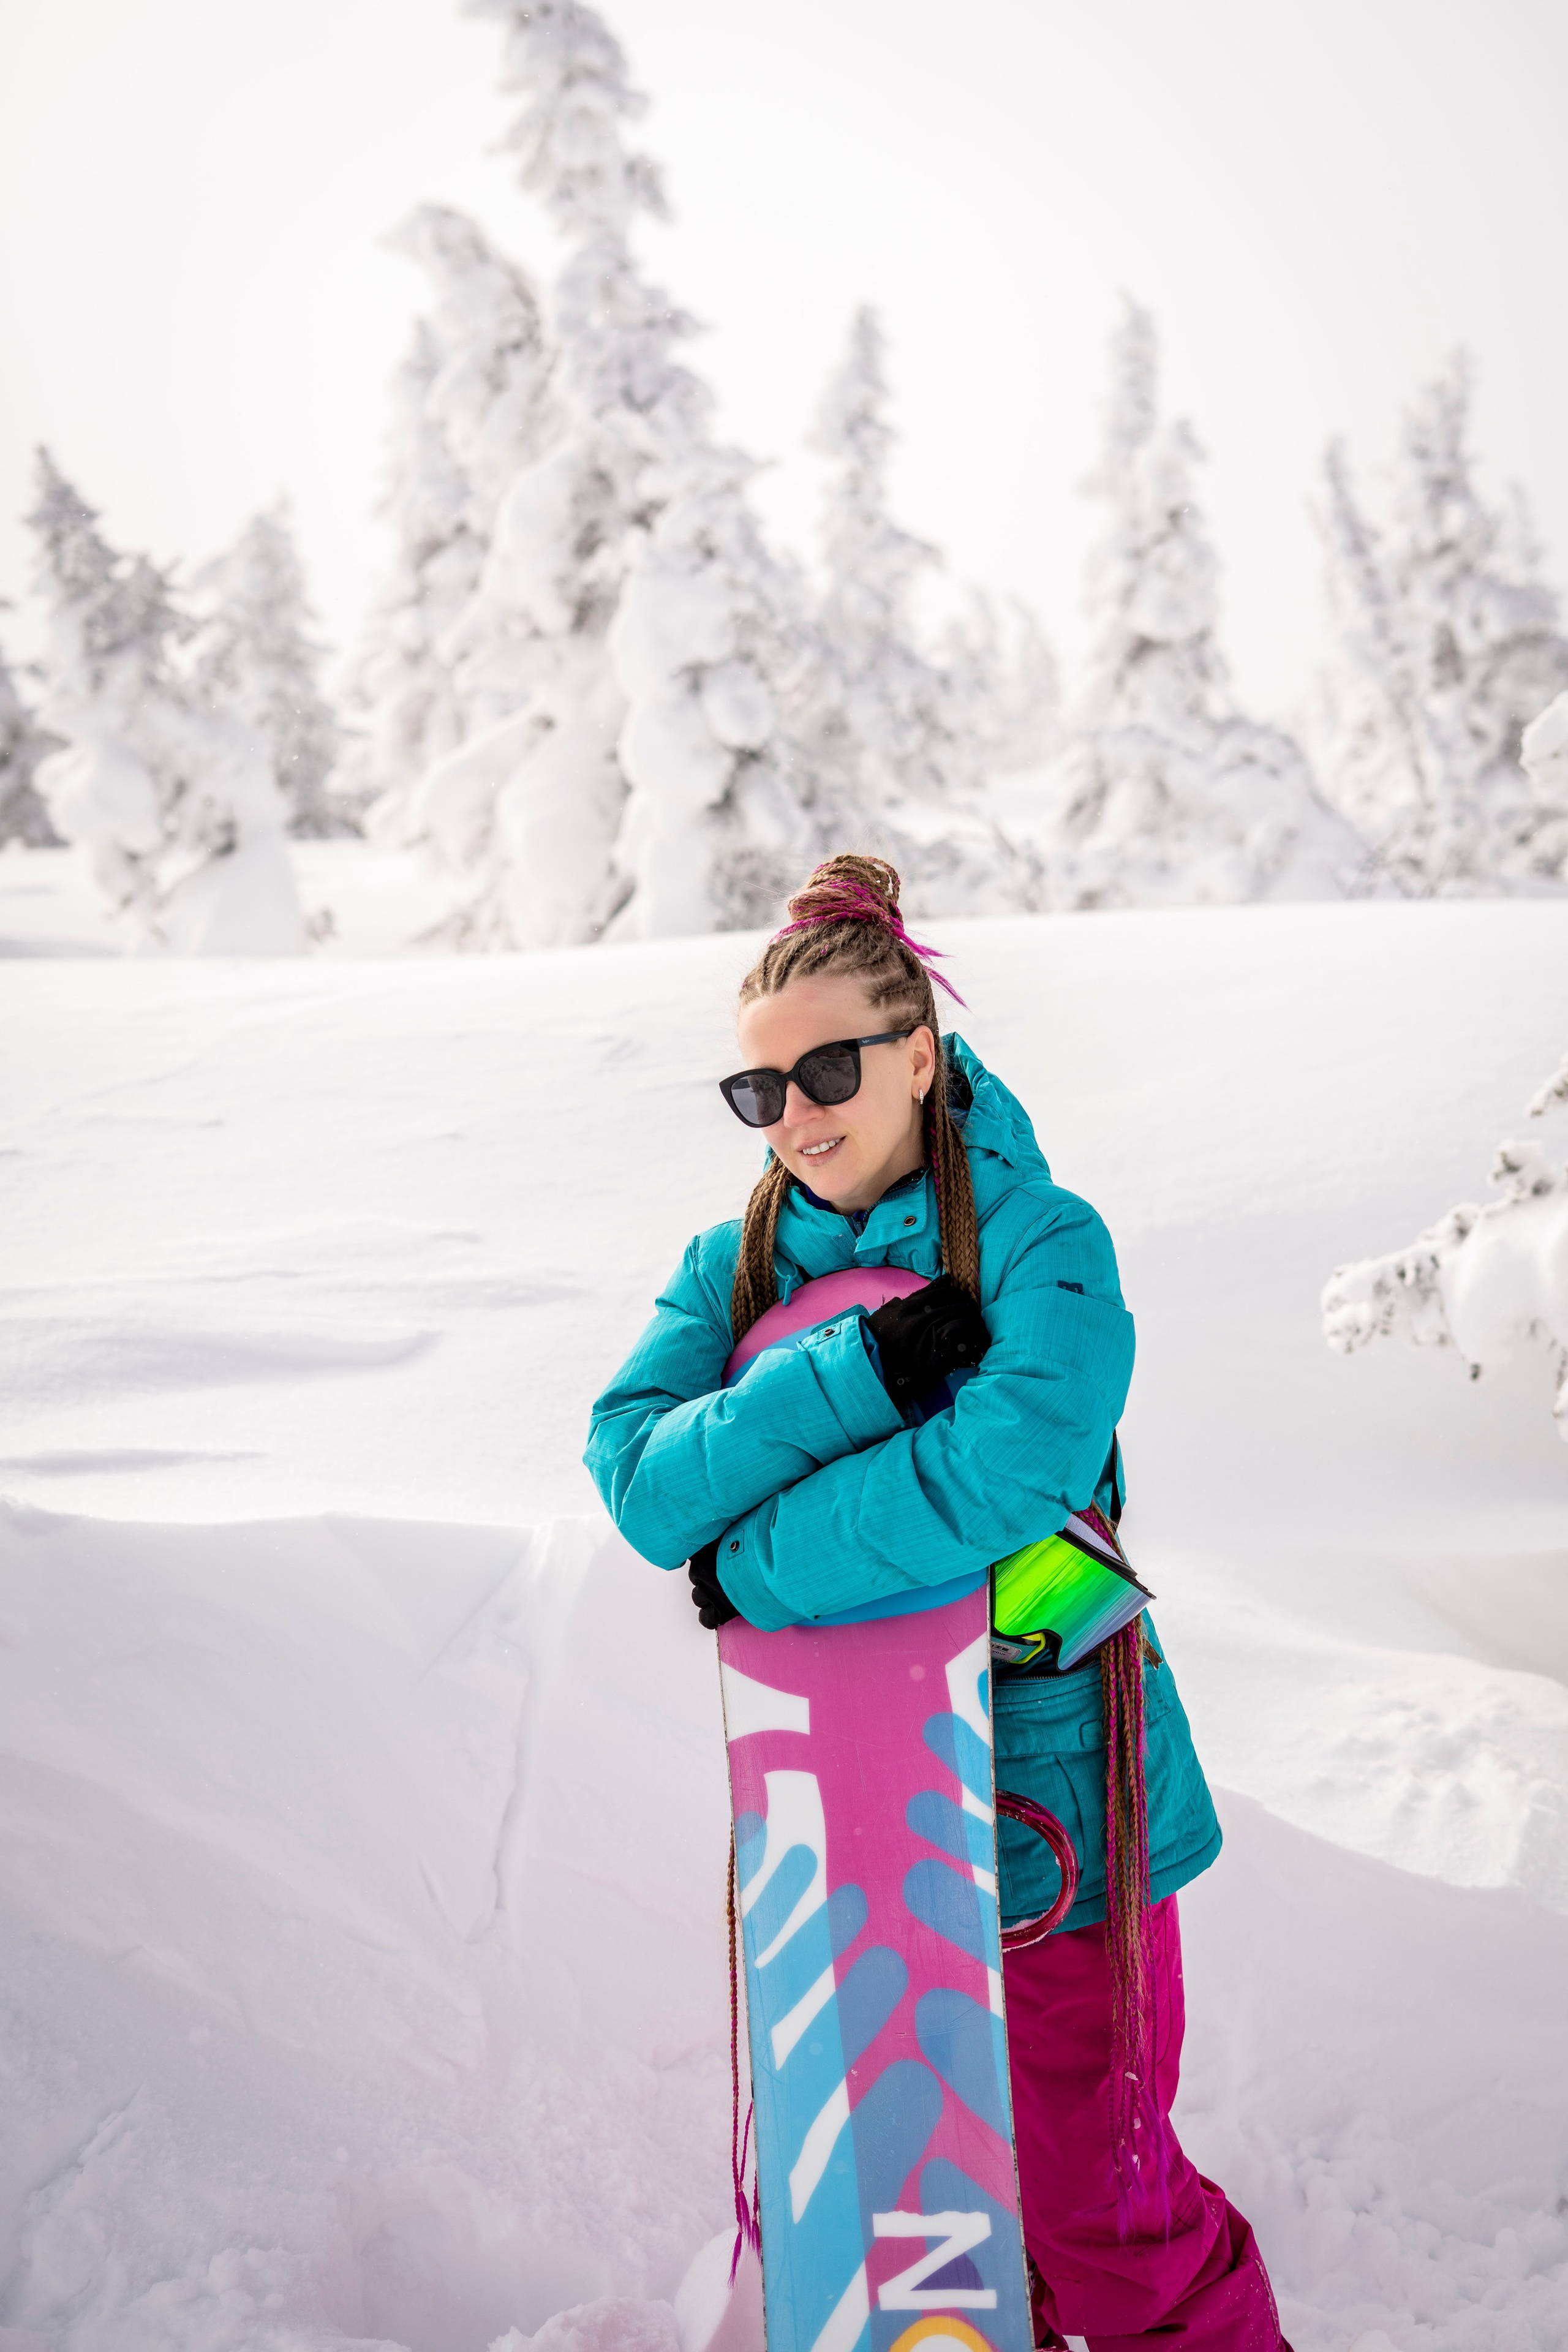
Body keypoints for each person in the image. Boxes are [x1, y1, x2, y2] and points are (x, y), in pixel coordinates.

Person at [586, 854, 1287, 2351]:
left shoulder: (1042, 1242)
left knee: (1094, 2202)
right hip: (843, 1825)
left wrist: (753, 1564)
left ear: (917, 1053)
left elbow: (1008, 1474)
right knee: (918, 2199)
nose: (796, 1116)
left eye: (827, 1068)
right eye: (758, 1091)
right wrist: (854, 1375)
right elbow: (643, 1485)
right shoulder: (737, 1265)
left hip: (1058, 1799)